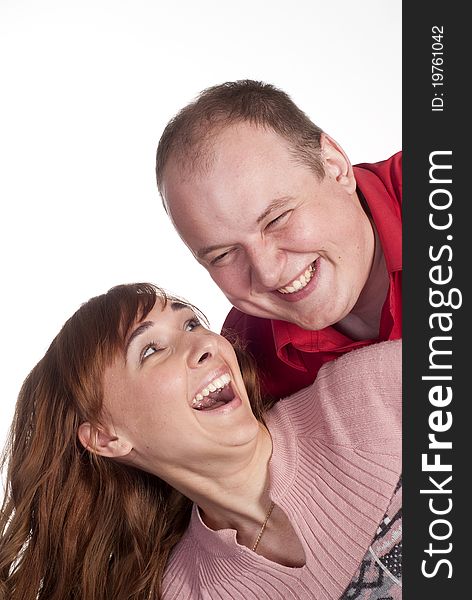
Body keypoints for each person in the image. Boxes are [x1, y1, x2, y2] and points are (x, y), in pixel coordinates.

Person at [0, 283, 401, 599]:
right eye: (152, 350)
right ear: (106, 438)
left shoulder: (368, 394)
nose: (206, 344)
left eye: (192, 324)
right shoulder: (186, 592)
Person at [155, 80, 402, 398]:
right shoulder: (243, 359)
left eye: (276, 219)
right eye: (223, 255)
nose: (268, 273)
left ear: (334, 166)